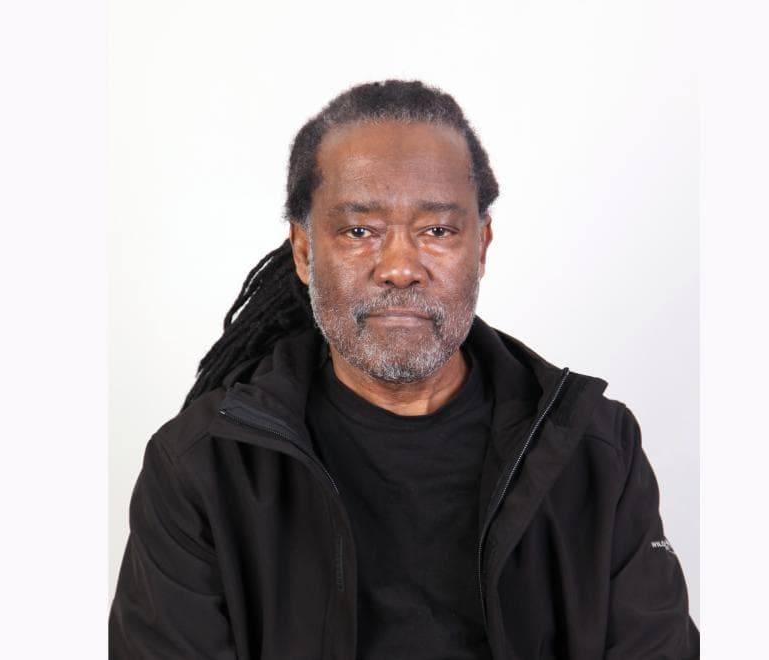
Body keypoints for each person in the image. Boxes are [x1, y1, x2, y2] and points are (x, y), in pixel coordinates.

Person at [109, 79, 699, 659]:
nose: (399, 268)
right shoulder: (202, 468)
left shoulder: (597, 451)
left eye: (437, 230)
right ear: (304, 251)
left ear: (482, 246)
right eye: (359, 231)